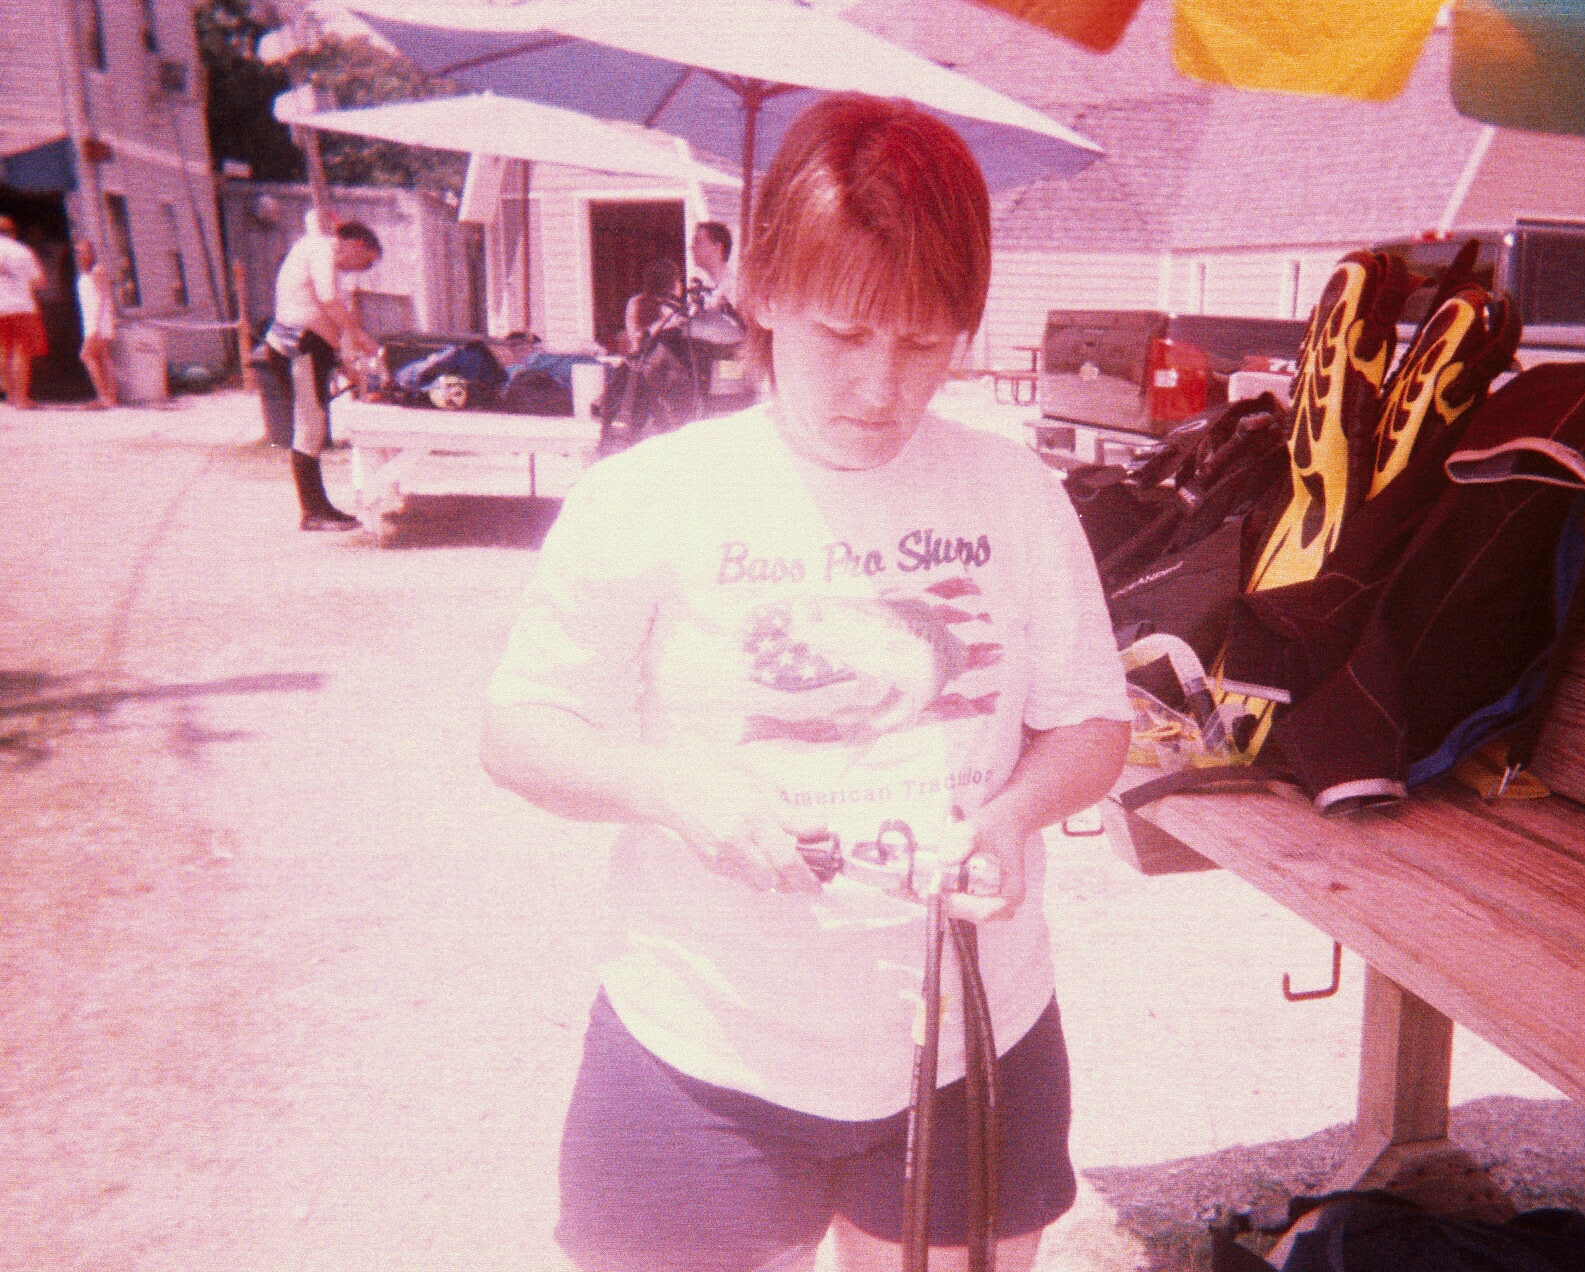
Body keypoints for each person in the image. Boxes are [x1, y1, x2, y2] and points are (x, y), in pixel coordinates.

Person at [480, 94, 1132, 1272]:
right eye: (843, 333)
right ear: (762, 294)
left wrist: (1015, 815)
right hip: (702, 1048)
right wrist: (677, 791)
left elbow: (1090, 724)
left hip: (967, 1041)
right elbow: (520, 733)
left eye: (925, 342)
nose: (883, 387)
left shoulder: (1015, 495)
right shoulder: (651, 494)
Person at [258, 215, 381, 531]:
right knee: (309, 426)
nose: (359, 272)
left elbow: (323, 311)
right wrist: (359, 337)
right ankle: (313, 512)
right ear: (357, 245)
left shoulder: (318, 252)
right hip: (300, 346)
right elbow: (328, 302)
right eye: (365, 263)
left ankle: (319, 507)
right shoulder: (321, 248)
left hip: (310, 347)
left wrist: (345, 360)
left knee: (312, 425)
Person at [0, 215, 49, 411]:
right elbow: (40, 281)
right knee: (21, 351)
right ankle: (22, 399)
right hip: (22, 306)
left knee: (3, 351)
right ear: (13, 232)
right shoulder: (22, 251)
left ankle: (10, 396)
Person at [73, 240, 119, 408]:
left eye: (83, 252)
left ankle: (103, 396)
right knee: (103, 357)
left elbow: (103, 297)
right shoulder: (84, 274)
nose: (79, 255)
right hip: (91, 320)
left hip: (98, 321)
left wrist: (98, 324)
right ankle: (110, 397)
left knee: (85, 355)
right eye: (77, 252)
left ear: (91, 254)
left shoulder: (97, 270)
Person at [690, 219, 735, 314]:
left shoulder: (734, 290)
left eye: (698, 242)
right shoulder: (701, 287)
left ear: (718, 247)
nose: (692, 247)